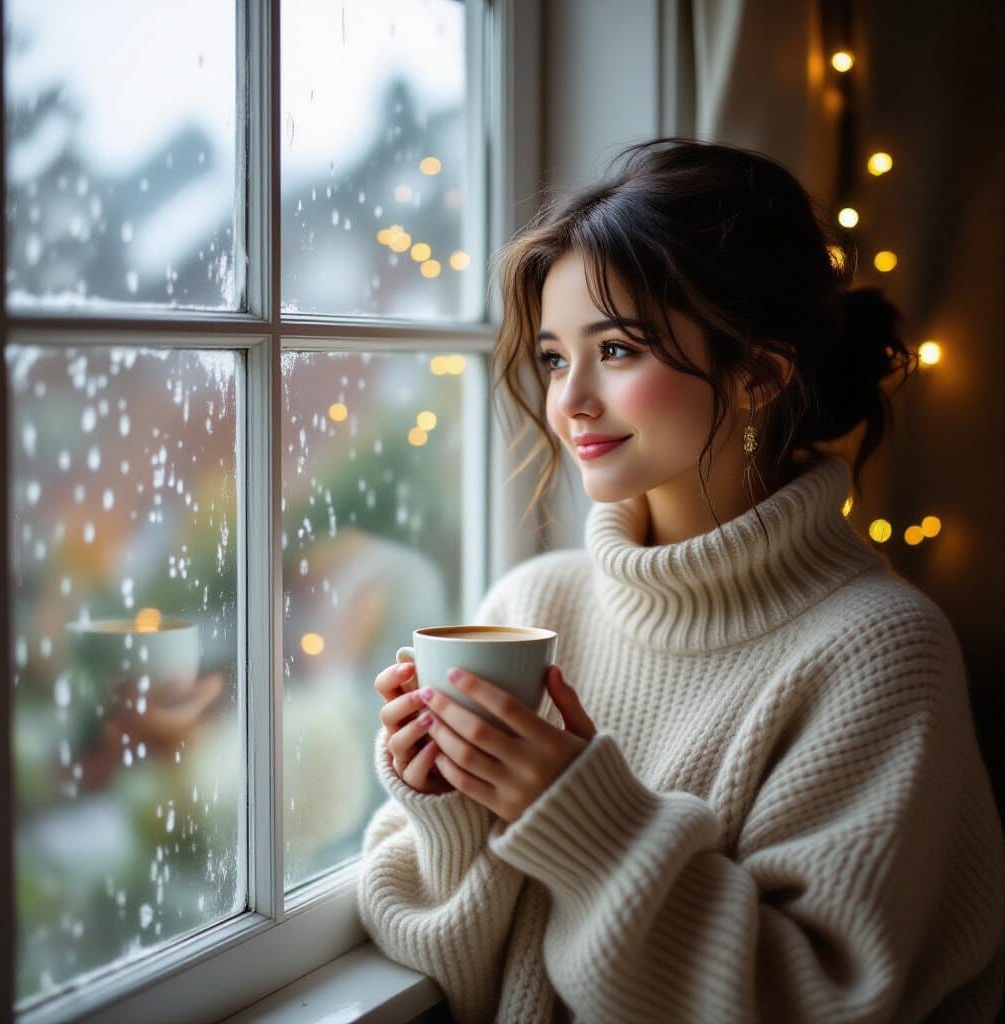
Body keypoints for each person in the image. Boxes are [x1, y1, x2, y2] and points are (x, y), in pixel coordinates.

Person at [355, 137, 1005, 1023]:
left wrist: (584, 819)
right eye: (553, 357)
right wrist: (448, 811)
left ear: (758, 374)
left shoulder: (881, 652)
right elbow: (466, 978)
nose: (571, 399)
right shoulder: (531, 608)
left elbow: (817, 1003)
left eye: (617, 350)